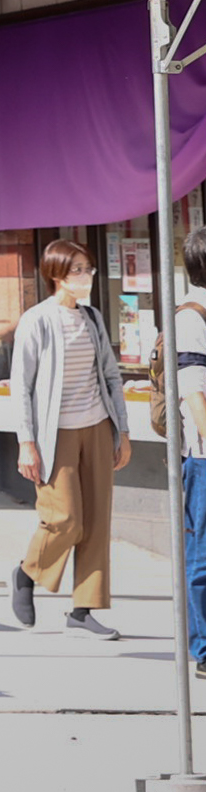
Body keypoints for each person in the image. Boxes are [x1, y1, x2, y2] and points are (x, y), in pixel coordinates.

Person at [5, 234, 131, 635]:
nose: (86, 276)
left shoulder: (91, 317)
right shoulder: (37, 320)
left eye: (88, 269)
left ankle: (83, 611)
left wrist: (122, 432)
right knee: (65, 519)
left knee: (96, 521)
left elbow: (111, 376)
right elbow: (20, 385)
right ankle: (27, 572)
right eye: (78, 270)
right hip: (54, 435)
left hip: (96, 427)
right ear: (56, 275)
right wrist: (26, 442)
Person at [175, 228, 205, 680]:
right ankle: (204, 647)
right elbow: (193, 392)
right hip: (203, 456)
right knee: (203, 551)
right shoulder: (192, 316)